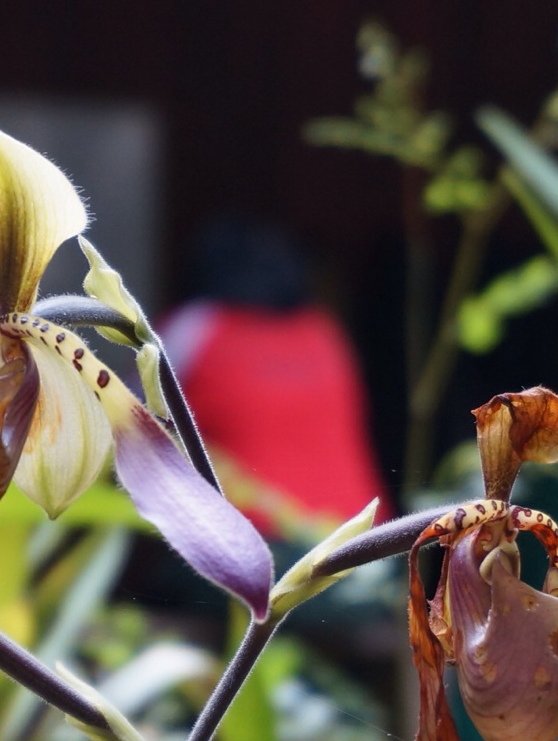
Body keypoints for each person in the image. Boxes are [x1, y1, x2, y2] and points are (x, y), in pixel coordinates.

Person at [158, 218, 390, 542]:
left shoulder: (196, 326)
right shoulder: (322, 331)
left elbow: (124, 414)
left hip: (257, 540)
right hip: (364, 535)